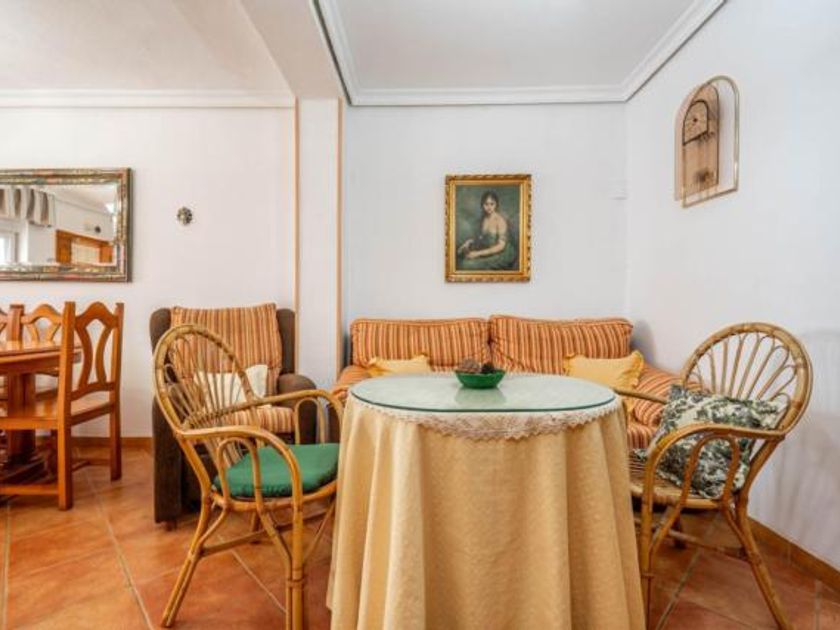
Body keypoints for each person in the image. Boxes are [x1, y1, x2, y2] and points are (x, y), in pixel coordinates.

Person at [456, 190, 517, 270]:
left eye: (492, 204)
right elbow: (482, 237)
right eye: (486, 204)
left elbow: (500, 246)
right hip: (487, 248)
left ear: (496, 204)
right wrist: (469, 242)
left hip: (501, 252)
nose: (489, 207)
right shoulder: (484, 218)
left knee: (468, 265)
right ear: (482, 205)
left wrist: (477, 254)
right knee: (463, 260)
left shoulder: (500, 221)